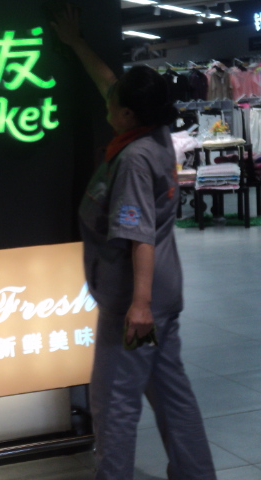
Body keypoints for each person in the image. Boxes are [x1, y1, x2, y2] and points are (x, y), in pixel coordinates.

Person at [51, 6, 217, 480]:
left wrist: (138, 306)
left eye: (114, 105)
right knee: (171, 393)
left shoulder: (133, 160)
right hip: (163, 296)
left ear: (126, 114)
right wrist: (76, 42)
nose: (107, 106)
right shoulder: (154, 131)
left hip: (135, 304)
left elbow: (138, 235)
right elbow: (109, 82)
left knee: (114, 401)